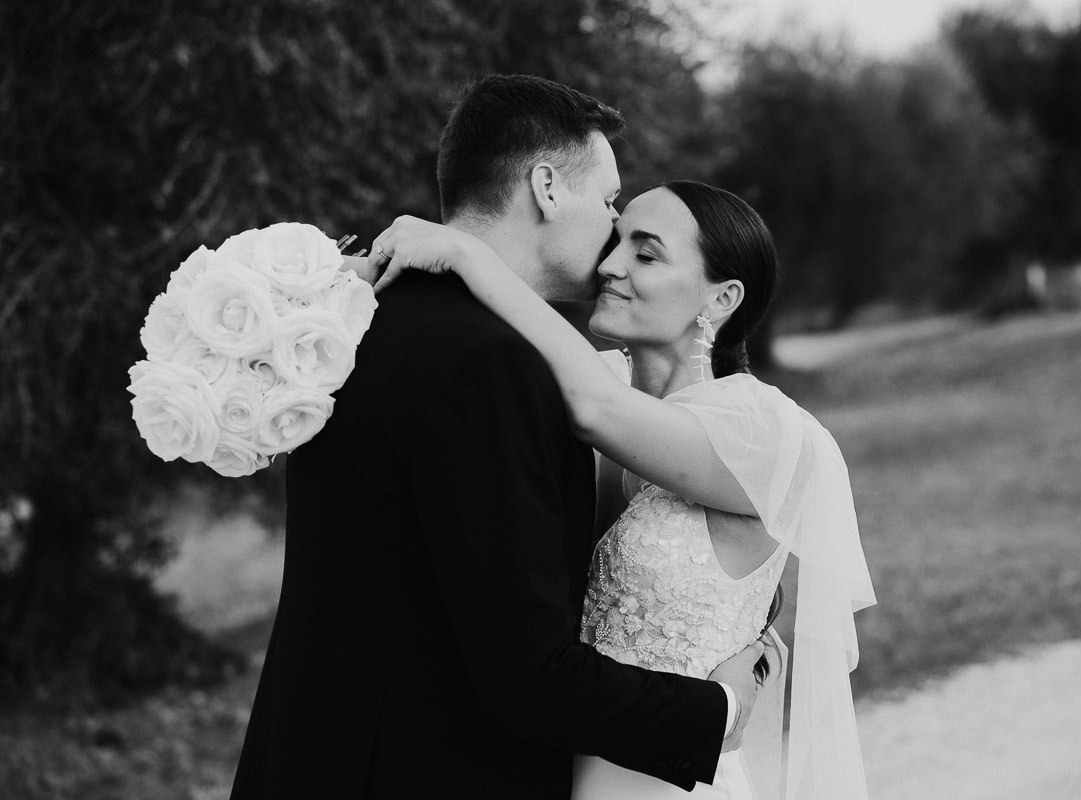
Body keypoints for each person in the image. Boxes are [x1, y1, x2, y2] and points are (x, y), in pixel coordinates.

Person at [229, 75, 764, 800]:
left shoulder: (360, 326)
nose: (612, 235)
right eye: (607, 202)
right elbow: (527, 677)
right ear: (546, 187)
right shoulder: (488, 364)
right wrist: (718, 712)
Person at [368, 180, 878, 798]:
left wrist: (469, 253)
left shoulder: (762, 432)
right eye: (615, 242)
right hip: (546, 769)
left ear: (722, 298)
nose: (608, 265)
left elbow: (597, 410)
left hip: (670, 780)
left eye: (646, 253)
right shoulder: (587, 383)